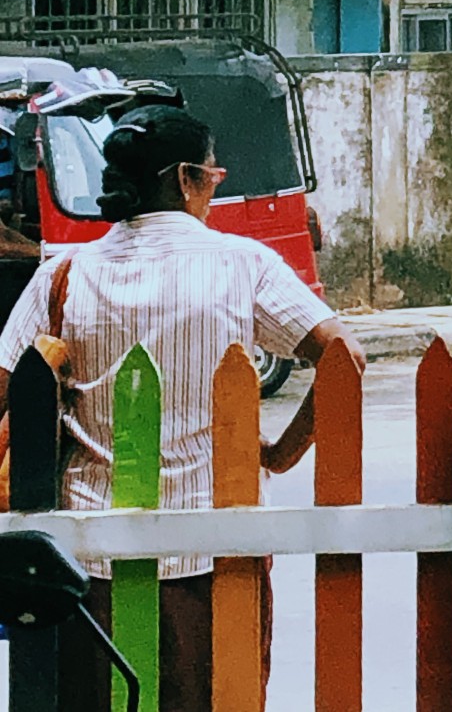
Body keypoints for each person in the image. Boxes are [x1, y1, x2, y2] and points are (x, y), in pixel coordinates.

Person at [0, 105, 363, 712]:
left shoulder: (64, 274)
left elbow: (7, 383)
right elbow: (343, 357)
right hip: (213, 552)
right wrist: (279, 454)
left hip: (88, 561)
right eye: (214, 179)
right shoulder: (243, 265)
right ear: (187, 179)